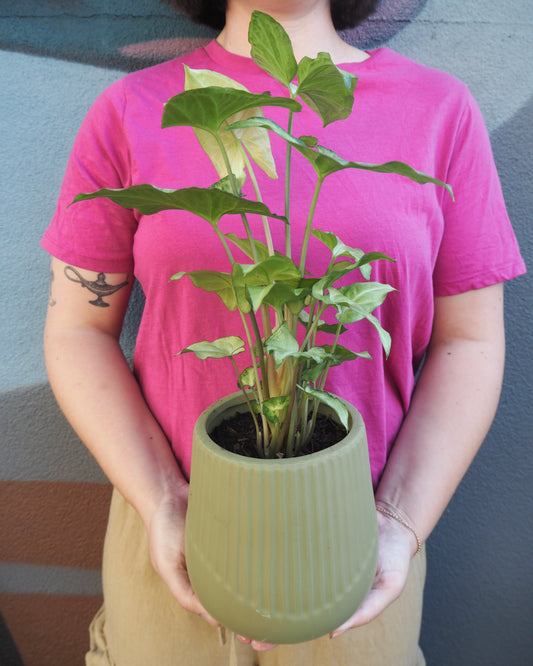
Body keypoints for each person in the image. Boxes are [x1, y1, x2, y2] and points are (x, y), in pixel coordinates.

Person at [41, 1, 526, 664]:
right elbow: (77, 329)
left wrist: (399, 526)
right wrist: (160, 500)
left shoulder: (437, 110)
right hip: (169, 517)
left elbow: (468, 341)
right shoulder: (131, 108)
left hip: (353, 527)